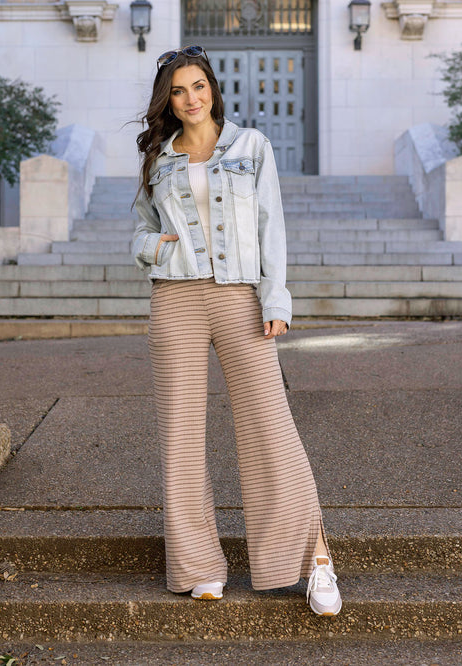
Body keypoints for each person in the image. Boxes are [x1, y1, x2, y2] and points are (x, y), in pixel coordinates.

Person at [132, 45, 342, 616]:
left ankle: (310, 558)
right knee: (180, 434)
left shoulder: (251, 146)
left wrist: (276, 296)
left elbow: (272, 223)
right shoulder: (159, 157)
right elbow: (140, 231)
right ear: (168, 101)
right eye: (178, 91)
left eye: (198, 86)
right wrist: (153, 247)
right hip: (175, 298)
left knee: (269, 423)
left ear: (213, 90)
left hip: (238, 296)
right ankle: (197, 564)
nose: (190, 99)